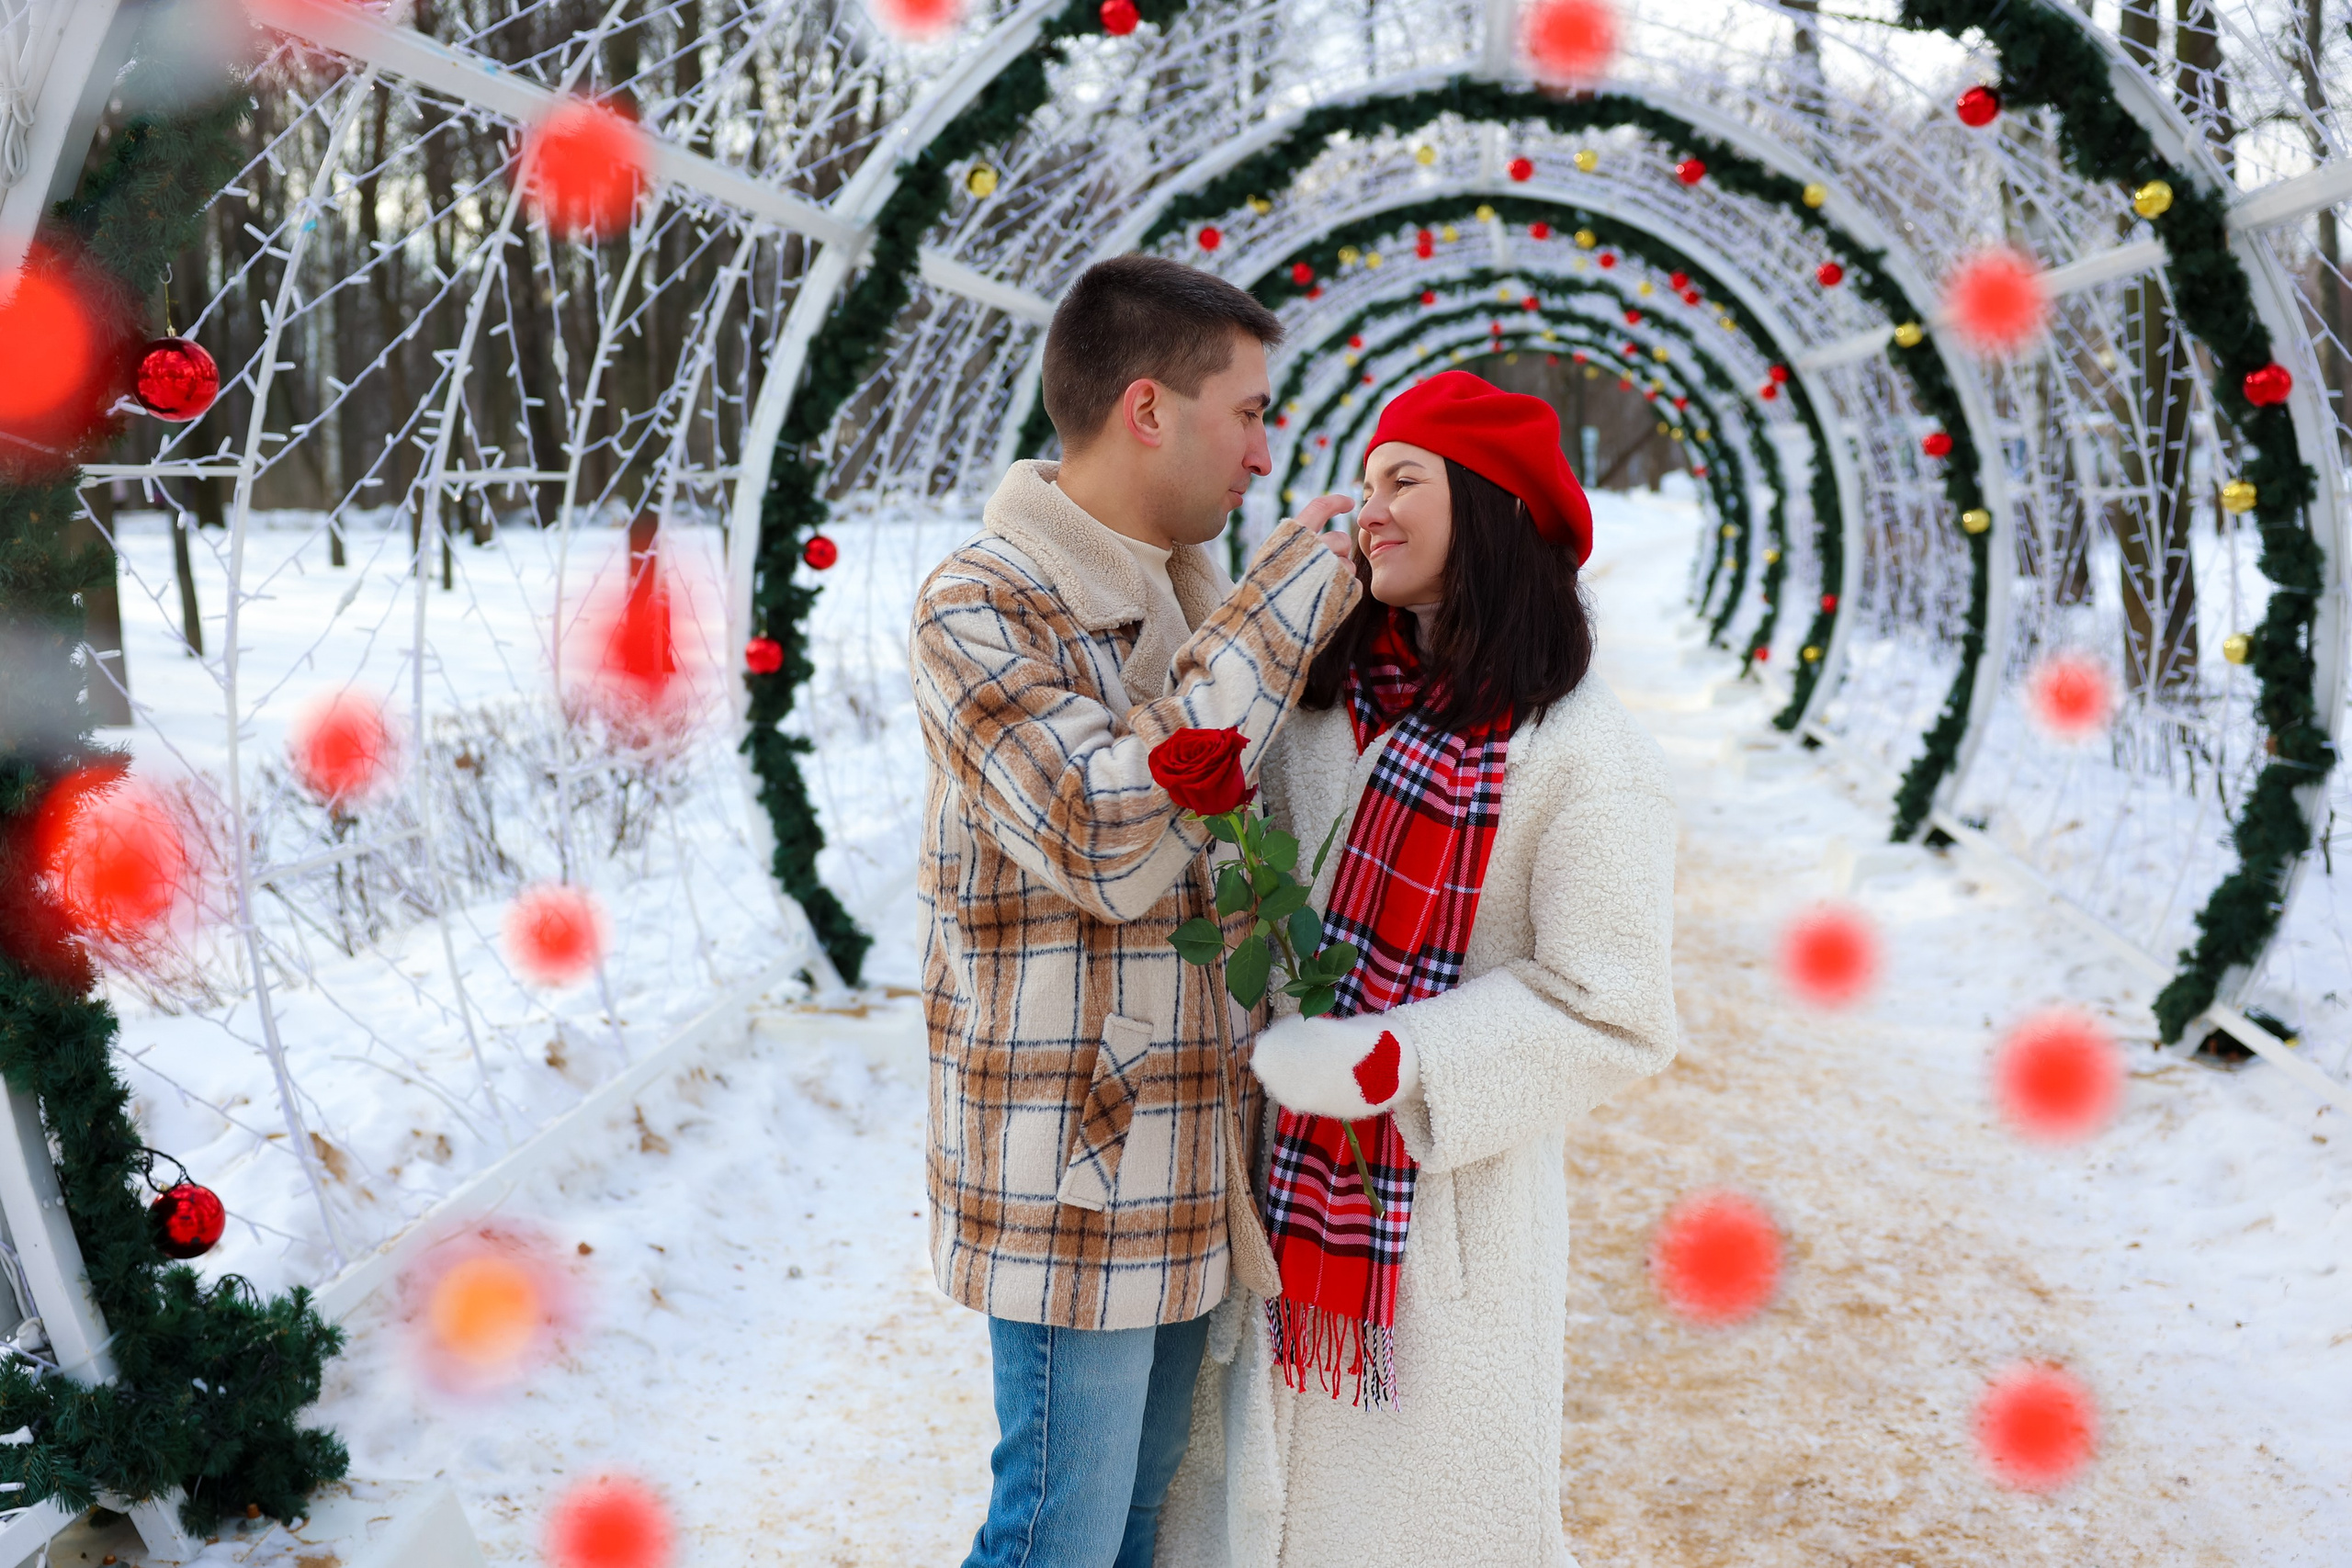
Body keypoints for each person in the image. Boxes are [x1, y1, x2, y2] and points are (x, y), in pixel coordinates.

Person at [1157, 370, 1681, 1566]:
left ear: (1491, 509)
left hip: (1443, 1237)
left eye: (1407, 480)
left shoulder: (1588, 755)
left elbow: (1617, 1011)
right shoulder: (1319, 710)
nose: (1371, 508)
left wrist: (1396, 1061)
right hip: (1270, 1195)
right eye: (1369, 480)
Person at [909, 253, 1360, 1568]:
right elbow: (1108, 833)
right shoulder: (981, 603)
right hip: (1075, 1170)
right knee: (1056, 1534)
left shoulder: (1192, 599)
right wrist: (1284, 602)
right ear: (1150, 409)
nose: (1266, 453)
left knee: (1131, 1534)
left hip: (1191, 1155)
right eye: (1252, 411)